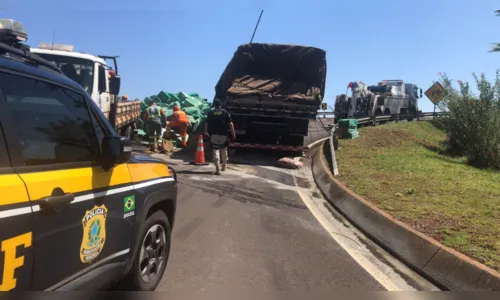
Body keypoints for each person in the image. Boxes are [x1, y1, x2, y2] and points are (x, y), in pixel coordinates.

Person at [204, 98, 236, 175]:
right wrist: (233, 133)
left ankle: (217, 169)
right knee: (224, 149)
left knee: (215, 149)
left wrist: (205, 132)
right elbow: (230, 124)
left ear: (214, 105)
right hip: (223, 134)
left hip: (213, 135)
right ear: (221, 104)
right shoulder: (225, 112)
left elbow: (206, 123)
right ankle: (224, 166)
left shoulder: (210, 113)